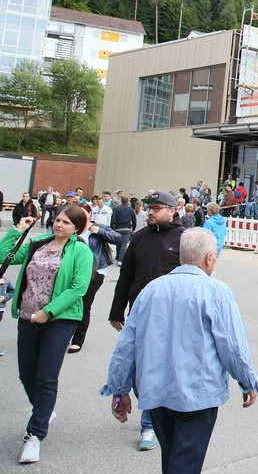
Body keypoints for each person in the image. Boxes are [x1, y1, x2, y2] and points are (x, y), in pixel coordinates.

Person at [101, 228, 258, 473]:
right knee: (184, 464)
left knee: (173, 458)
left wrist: (120, 387)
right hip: (198, 394)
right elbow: (232, 345)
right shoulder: (216, 291)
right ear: (209, 258)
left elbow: (127, 344)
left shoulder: (152, 289)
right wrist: (247, 381)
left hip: (156, 392)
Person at [0, 207, 93, 464]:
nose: (59, 224)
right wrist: (16, 231)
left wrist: (48, 312)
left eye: (66, 222)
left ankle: (35, 434)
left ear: (76, 228)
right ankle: (44, 409)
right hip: (28, 317)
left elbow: (79, 288)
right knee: (26, 373)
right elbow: (3, 255)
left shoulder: (80, 251)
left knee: (46, 378)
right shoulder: (37, 244)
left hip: (59, 320)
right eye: (58, 219)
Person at [108, 189, 185, 452]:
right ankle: (152, 416)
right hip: (139, 315)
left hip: (173, 318)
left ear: (172, 210)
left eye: (156, 208)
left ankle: (152, 422)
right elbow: (126, 276)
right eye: (149, 208)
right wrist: (116, 311)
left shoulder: (184, 238)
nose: (150, 212)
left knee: (166, 368)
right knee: (141, 371)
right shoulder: (138, 239)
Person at [69, 215, 123, 353]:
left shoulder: (98, 227)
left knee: (85, 304)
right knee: (69, 303)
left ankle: (77, 340)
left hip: (96, 270)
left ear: (88, 214)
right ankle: (63, 334)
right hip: (72, 271)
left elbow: (118, 238)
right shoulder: (72, 228)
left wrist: (100, 231)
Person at [110, 195, 137, 263]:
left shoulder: (116, 209)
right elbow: (134, 220)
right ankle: (120, 260)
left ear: (121, 201)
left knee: (118, 243)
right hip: (126, 228)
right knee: (124, 244)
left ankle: (118, 255)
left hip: (118, 228)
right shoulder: (131, 210)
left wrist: (112, 228)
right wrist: (133, 228)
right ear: (128, 202)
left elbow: (113, 220)